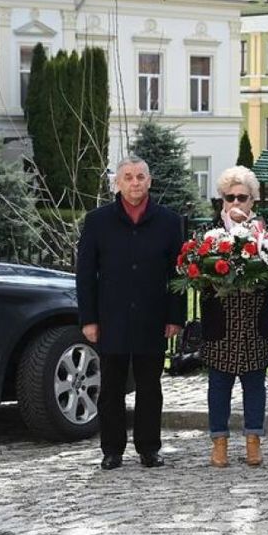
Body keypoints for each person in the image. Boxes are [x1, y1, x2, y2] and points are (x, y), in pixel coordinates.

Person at [76, 156, 185, 471]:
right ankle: (112, 449)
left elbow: (177, 273)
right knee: (111, 387)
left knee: (150, 387)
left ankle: (149, 448)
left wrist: (175, 316)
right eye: (128, 177)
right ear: (117, 184)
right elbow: (85, 274)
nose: (135, 182)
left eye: (140, 177)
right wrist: (89, 319)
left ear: (149, 181)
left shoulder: (168, 221)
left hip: (153, 318)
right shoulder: (98, 221)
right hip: (111, 318)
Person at [201, 166, 268, 468]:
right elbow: (198, 274)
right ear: (222, 201)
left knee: (255, 385)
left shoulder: (266, 233)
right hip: (221, 322)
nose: (235, 203)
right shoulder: (208, 234)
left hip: (254, 322)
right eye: (229, 197)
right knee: (219, 385)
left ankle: (253, 441)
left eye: (242, 197)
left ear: (252, 200)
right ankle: (219, 442)